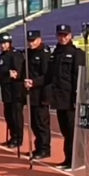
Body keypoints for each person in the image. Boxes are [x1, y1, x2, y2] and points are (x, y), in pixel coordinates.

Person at [43, 24, 86, 170]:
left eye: (65, 35)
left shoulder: (76, 54)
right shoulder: (55, 54)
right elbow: (49, 76)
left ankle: (76, 160)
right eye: (60, 35)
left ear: (70, 35)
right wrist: (34, 83)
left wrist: (78, 98)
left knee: (73, 131)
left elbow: (79, 78)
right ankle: (68, 159)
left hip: (71, 99)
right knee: (66, 131)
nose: (63, 38)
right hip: (59, 99)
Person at [23, 29, 52, 160]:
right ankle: (38, 147)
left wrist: (34, 82)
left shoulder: (44, 54)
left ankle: (45, 149)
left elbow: (48, 75)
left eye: (33, 41)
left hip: (41, 94)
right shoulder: (28, 53)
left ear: (39, 40)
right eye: (29, 41)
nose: (31, 43)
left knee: (41, 123)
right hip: (31, 94)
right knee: (34, 123)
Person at [0, 32, 25, 149]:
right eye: (1, 43)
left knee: (15, 116)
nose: (3, 45)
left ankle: (18, 138)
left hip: (15, 90)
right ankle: (13, 136)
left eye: (5, 43)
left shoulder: (15, 55)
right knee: (8, 115)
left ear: (10, 43)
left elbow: (18, 72)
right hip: (6, 90)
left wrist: (14, 74)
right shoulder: (1, 57)